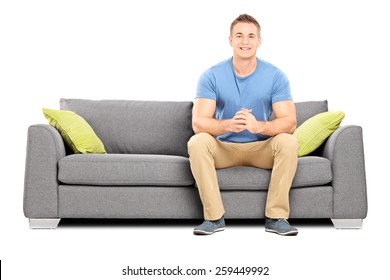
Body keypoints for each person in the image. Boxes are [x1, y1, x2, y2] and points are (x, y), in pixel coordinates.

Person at [188, 14, 299, 236]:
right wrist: (228, 125)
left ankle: (276, 218)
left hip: (261, 149)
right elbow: (199, 123)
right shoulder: (212, 75)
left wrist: (258, 127)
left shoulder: (275, 76)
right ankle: (214, 218)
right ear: (230, 40)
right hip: (224, 149)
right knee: (198, 141)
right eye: (239, 36)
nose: (245, 41)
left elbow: (289, 122)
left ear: (259, 41)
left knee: (288, 141)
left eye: (251, 36)